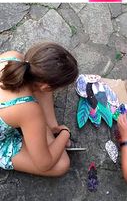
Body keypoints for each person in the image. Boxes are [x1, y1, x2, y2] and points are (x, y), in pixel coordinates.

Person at [0, 43, 78, 175]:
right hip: (15, 125)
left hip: (17, 110)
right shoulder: (28, 110)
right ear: (47, 87)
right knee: (61, 164)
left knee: (40, 81)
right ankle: (46, 130)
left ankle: (50, 128)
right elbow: (44, 164)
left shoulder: (12, 57)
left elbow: (42, 88)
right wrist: (65, 133)